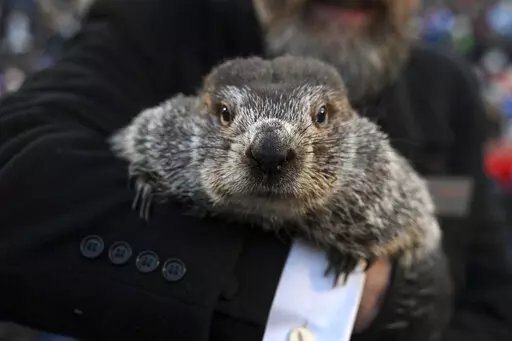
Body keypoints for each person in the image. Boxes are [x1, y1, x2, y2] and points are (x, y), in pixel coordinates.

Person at [0, 0, 511, 340]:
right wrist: (324, 297)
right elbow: (16, 170)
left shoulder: (447, 89)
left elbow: (492, 297)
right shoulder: (159, 24)